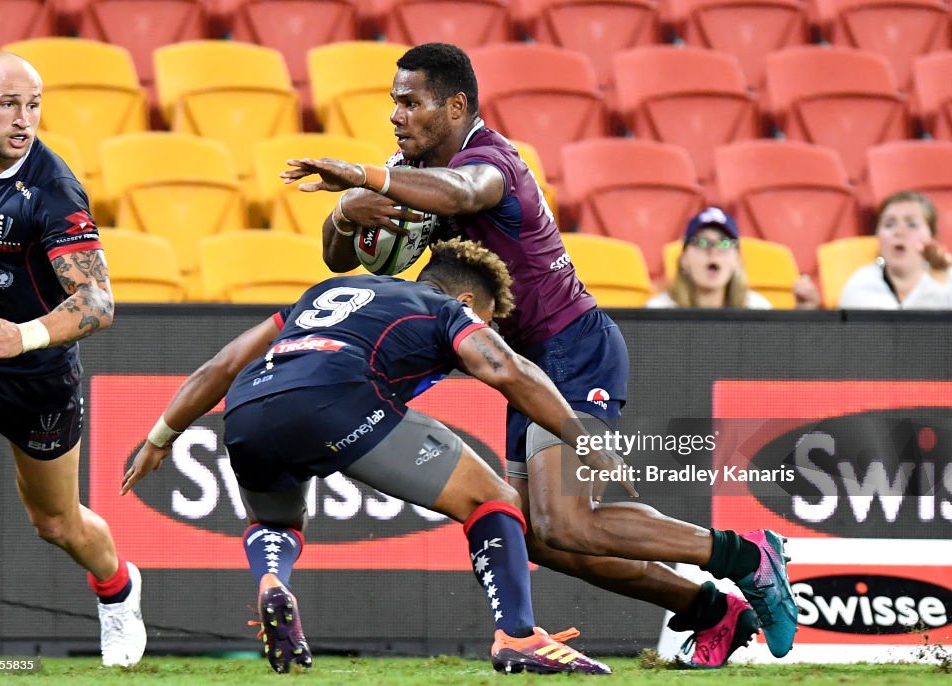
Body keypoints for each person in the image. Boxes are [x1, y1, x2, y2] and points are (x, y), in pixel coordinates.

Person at [280, 42, 798, 666]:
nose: (396, 115)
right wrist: (343, 211)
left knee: (568, 522)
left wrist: (367, 177)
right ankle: (708, 608)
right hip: (522, 359)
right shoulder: (410, 170)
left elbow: (464, 193)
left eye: (410, 102)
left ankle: (746, 556)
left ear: (455, 105)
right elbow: (339, 257)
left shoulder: (495, 162)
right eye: (394, 102)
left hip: (573, 346)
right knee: (543, 537)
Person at [120, 239, 619, 675]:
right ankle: (519, 638)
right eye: (488, 319)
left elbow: (225, 363)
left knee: (277, 522)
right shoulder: (446, 310)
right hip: (337, 396)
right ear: (468, 301)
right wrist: (582, 437)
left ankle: (273, 581)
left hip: (248, 406)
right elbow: (505, 367)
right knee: (494, 499)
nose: (485, 327)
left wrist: (160, 439)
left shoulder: (323, 294)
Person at [0, 53, 145, 666]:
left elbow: (97, 303)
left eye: (34, 105)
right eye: (9, 104)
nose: (24, 119)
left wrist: (24, 336)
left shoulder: (51, 190)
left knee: (56, 524)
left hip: (33, 372)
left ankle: (118, 589)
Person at [839, 191, 952, 309]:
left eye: (912, 224)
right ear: (877, 236)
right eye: (889, 224)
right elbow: (903, 334)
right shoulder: (861, 284)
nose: (899, 232)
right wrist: (935, 279)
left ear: (932, 236)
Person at [647, 207, 773, 309]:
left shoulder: (757, 310)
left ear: (737, 260)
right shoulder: (659, 310)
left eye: (724, 243)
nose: (713, 251)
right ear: (684, 259)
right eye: (702, 242)